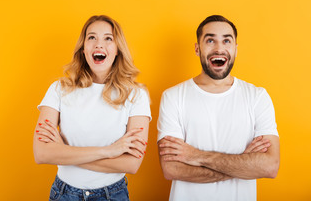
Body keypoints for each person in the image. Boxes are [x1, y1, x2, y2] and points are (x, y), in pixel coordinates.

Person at [157, 15, 280, 201]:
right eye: (210, 40)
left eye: (226, 41)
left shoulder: (257, 97)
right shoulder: (173, 97)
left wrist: (196, 156)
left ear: (235, 49)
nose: (219, 48)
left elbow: (270, 166)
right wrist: (243, 164)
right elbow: (171, 169)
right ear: (198, 49)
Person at [33, 15, 151, 201]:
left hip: (112, 195)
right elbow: (42, 153)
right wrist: (109, 152)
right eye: (92, 37)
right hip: (64, 194)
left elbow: (131, 164)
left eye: (108, 38)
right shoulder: (59, 89)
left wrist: (64, 151)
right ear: (83, 48)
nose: (99, 45)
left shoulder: (137, 95)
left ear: (118, 49)